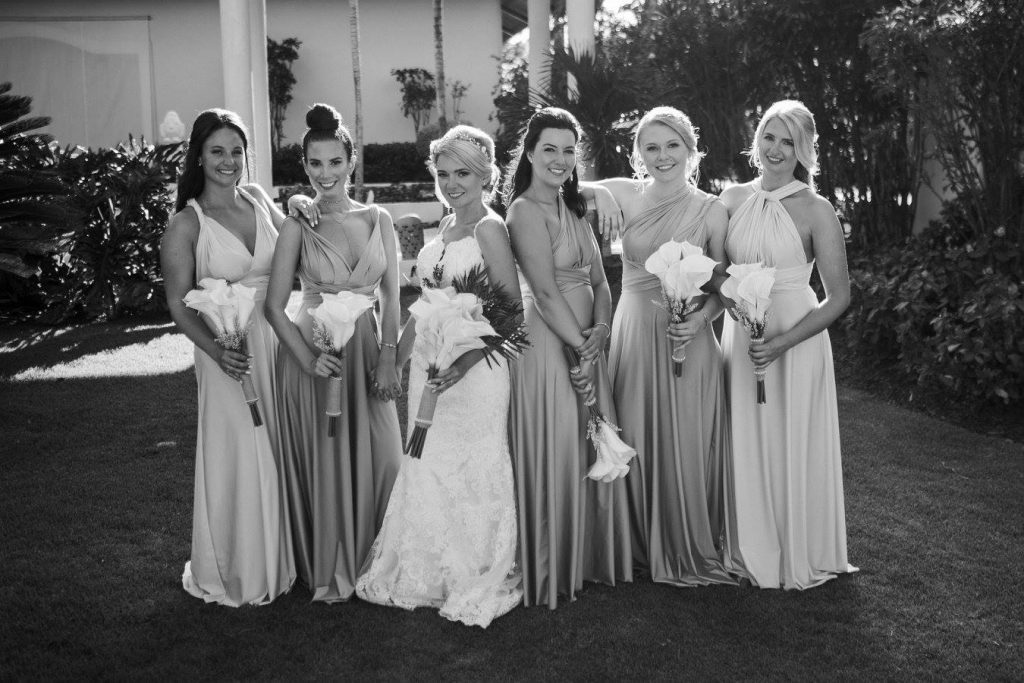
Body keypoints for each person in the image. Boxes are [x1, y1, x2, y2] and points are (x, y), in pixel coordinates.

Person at [355, 125, 523, 627]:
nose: (452, 184)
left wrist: (463, 364)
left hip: (475, 372)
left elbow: (512, 314)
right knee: (426, 462)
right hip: (429, 368)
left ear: (485, 176)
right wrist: (394, 360)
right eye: (444, 173)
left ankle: (473, 568)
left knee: (471, 465)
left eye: (463, 174)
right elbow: (424, 306)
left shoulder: (489, 229)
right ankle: (427, 568)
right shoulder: (445, 226)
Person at [582, 106, 735, 587]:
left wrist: (701, 321)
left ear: (691, 151)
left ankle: (686, 537)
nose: (662, 156)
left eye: (672, 146)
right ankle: (638, 541)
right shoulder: (624, 193)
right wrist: (596, 191)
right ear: (638, 154)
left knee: (687, 436)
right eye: (651, 147)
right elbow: (565, 187)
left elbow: (723, 287)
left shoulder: (712, 209)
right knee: (636, 431)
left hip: (689, 334)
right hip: (634, 331)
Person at [712, 99, 857, 589]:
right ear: (757, 140)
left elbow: (839, 297)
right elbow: (714, 271)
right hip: (742, 336)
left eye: (788, 141)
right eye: (769, 137)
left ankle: (799, 548)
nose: (775, 149)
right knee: (747, 437)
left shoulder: (818, 210)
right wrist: (731, 299)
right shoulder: (731, 199)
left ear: (804, 150)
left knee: (793, 437)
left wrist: (781, 344)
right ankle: (750, 547)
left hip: (796, 338)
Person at [264, 103, 402, 603]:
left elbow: (392, 297)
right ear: (304, 166)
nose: (326, 174)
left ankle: (383, 557)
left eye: (335, 162)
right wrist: (307, 359)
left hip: (366, 351)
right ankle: (331, 560)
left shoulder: (378, 218)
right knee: (327, 459)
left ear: (351, 161)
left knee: (384, 455)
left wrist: (387, 356)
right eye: (316, 164)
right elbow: (274, 306)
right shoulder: (297, 223)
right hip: (315, 353)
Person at [161, 108, 295, 606]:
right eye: (217, 151)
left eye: (237, 151)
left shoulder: (257, 198)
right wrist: (218, 352)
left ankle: (284, 558)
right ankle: (242, 569)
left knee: (279, 444)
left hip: (276, 340)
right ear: (198, 156)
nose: (228, 161)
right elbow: (178, 304)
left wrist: (302, 203)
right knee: (239, 451)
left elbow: (296, 242)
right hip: (226, 353)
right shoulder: (185, 224)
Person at [504, 107, 632, 608]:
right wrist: (580, 348)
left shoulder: (575, 207)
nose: (559, 159)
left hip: (587, 344)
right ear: (530, 153)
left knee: (590, 441)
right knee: (559, 443)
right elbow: (543, 291)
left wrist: (601, 332)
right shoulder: (523, 212)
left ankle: (591, 557)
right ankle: (555, 560)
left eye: (568, 151)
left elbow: (600, 281)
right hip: (549, 344)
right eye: (549, 149)